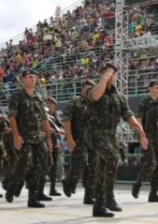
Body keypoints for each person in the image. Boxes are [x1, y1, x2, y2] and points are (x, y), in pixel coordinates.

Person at [85, 63, 148, 217]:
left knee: (102, 169)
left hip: (112, 136)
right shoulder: (92, 90)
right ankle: (109, 198)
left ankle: (98, 206)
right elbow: (95, 96)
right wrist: (104, 78)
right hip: (96, 135)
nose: (111, 76)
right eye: (108, 72)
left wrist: (141, 131)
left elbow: (128, 115)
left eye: (113, 73)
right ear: (102, 74)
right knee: (113, 158)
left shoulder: (119, 96)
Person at [6, 69, 53, 208]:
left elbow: (44, 120)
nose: (33, 79)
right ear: (23, 80)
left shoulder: (38, 97)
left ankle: (32, 198)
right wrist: (16, 136)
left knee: (38, 166)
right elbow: (12, 117)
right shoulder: (17, 96)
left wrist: (48, 139)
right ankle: (13, 184)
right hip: (24, 136)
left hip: (38, 137)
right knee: (24, 163)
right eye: (30, 77)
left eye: (34, 77)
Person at [131, 80, 158, 203]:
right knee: (151, 163)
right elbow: (138, 120)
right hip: (147, 137)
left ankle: (153, 194)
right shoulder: (144, 102)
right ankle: (138, 183)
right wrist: (142, 136)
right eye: (156, 87)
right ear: (150, 88)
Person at [62, 79, 95, 205]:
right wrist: (69, 138)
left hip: (92, 140)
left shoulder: (96, 104)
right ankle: (69, 182)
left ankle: (89, 195)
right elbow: (67, 120)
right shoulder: (75, 102)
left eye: (91, 88)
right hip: (78, 139)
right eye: (86, 88)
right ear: (82, 89)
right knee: (80, 162)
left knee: (92, 167)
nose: (88, 90)